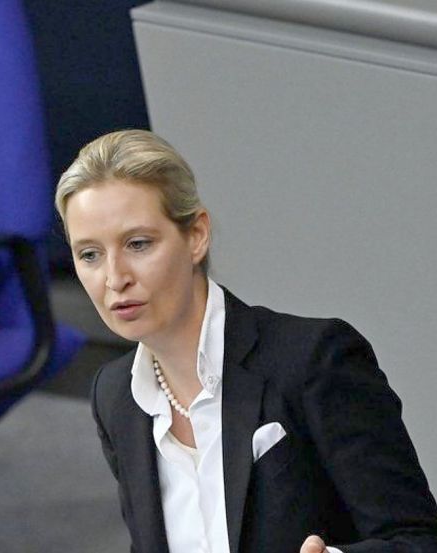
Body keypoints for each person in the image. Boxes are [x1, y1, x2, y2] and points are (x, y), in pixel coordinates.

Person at [55, 129, 437, 553]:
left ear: (196, 235)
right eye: (89, 254)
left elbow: (417, 539)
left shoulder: (314, 360)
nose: (114, 278)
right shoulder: (115, 396)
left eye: (138, 244)